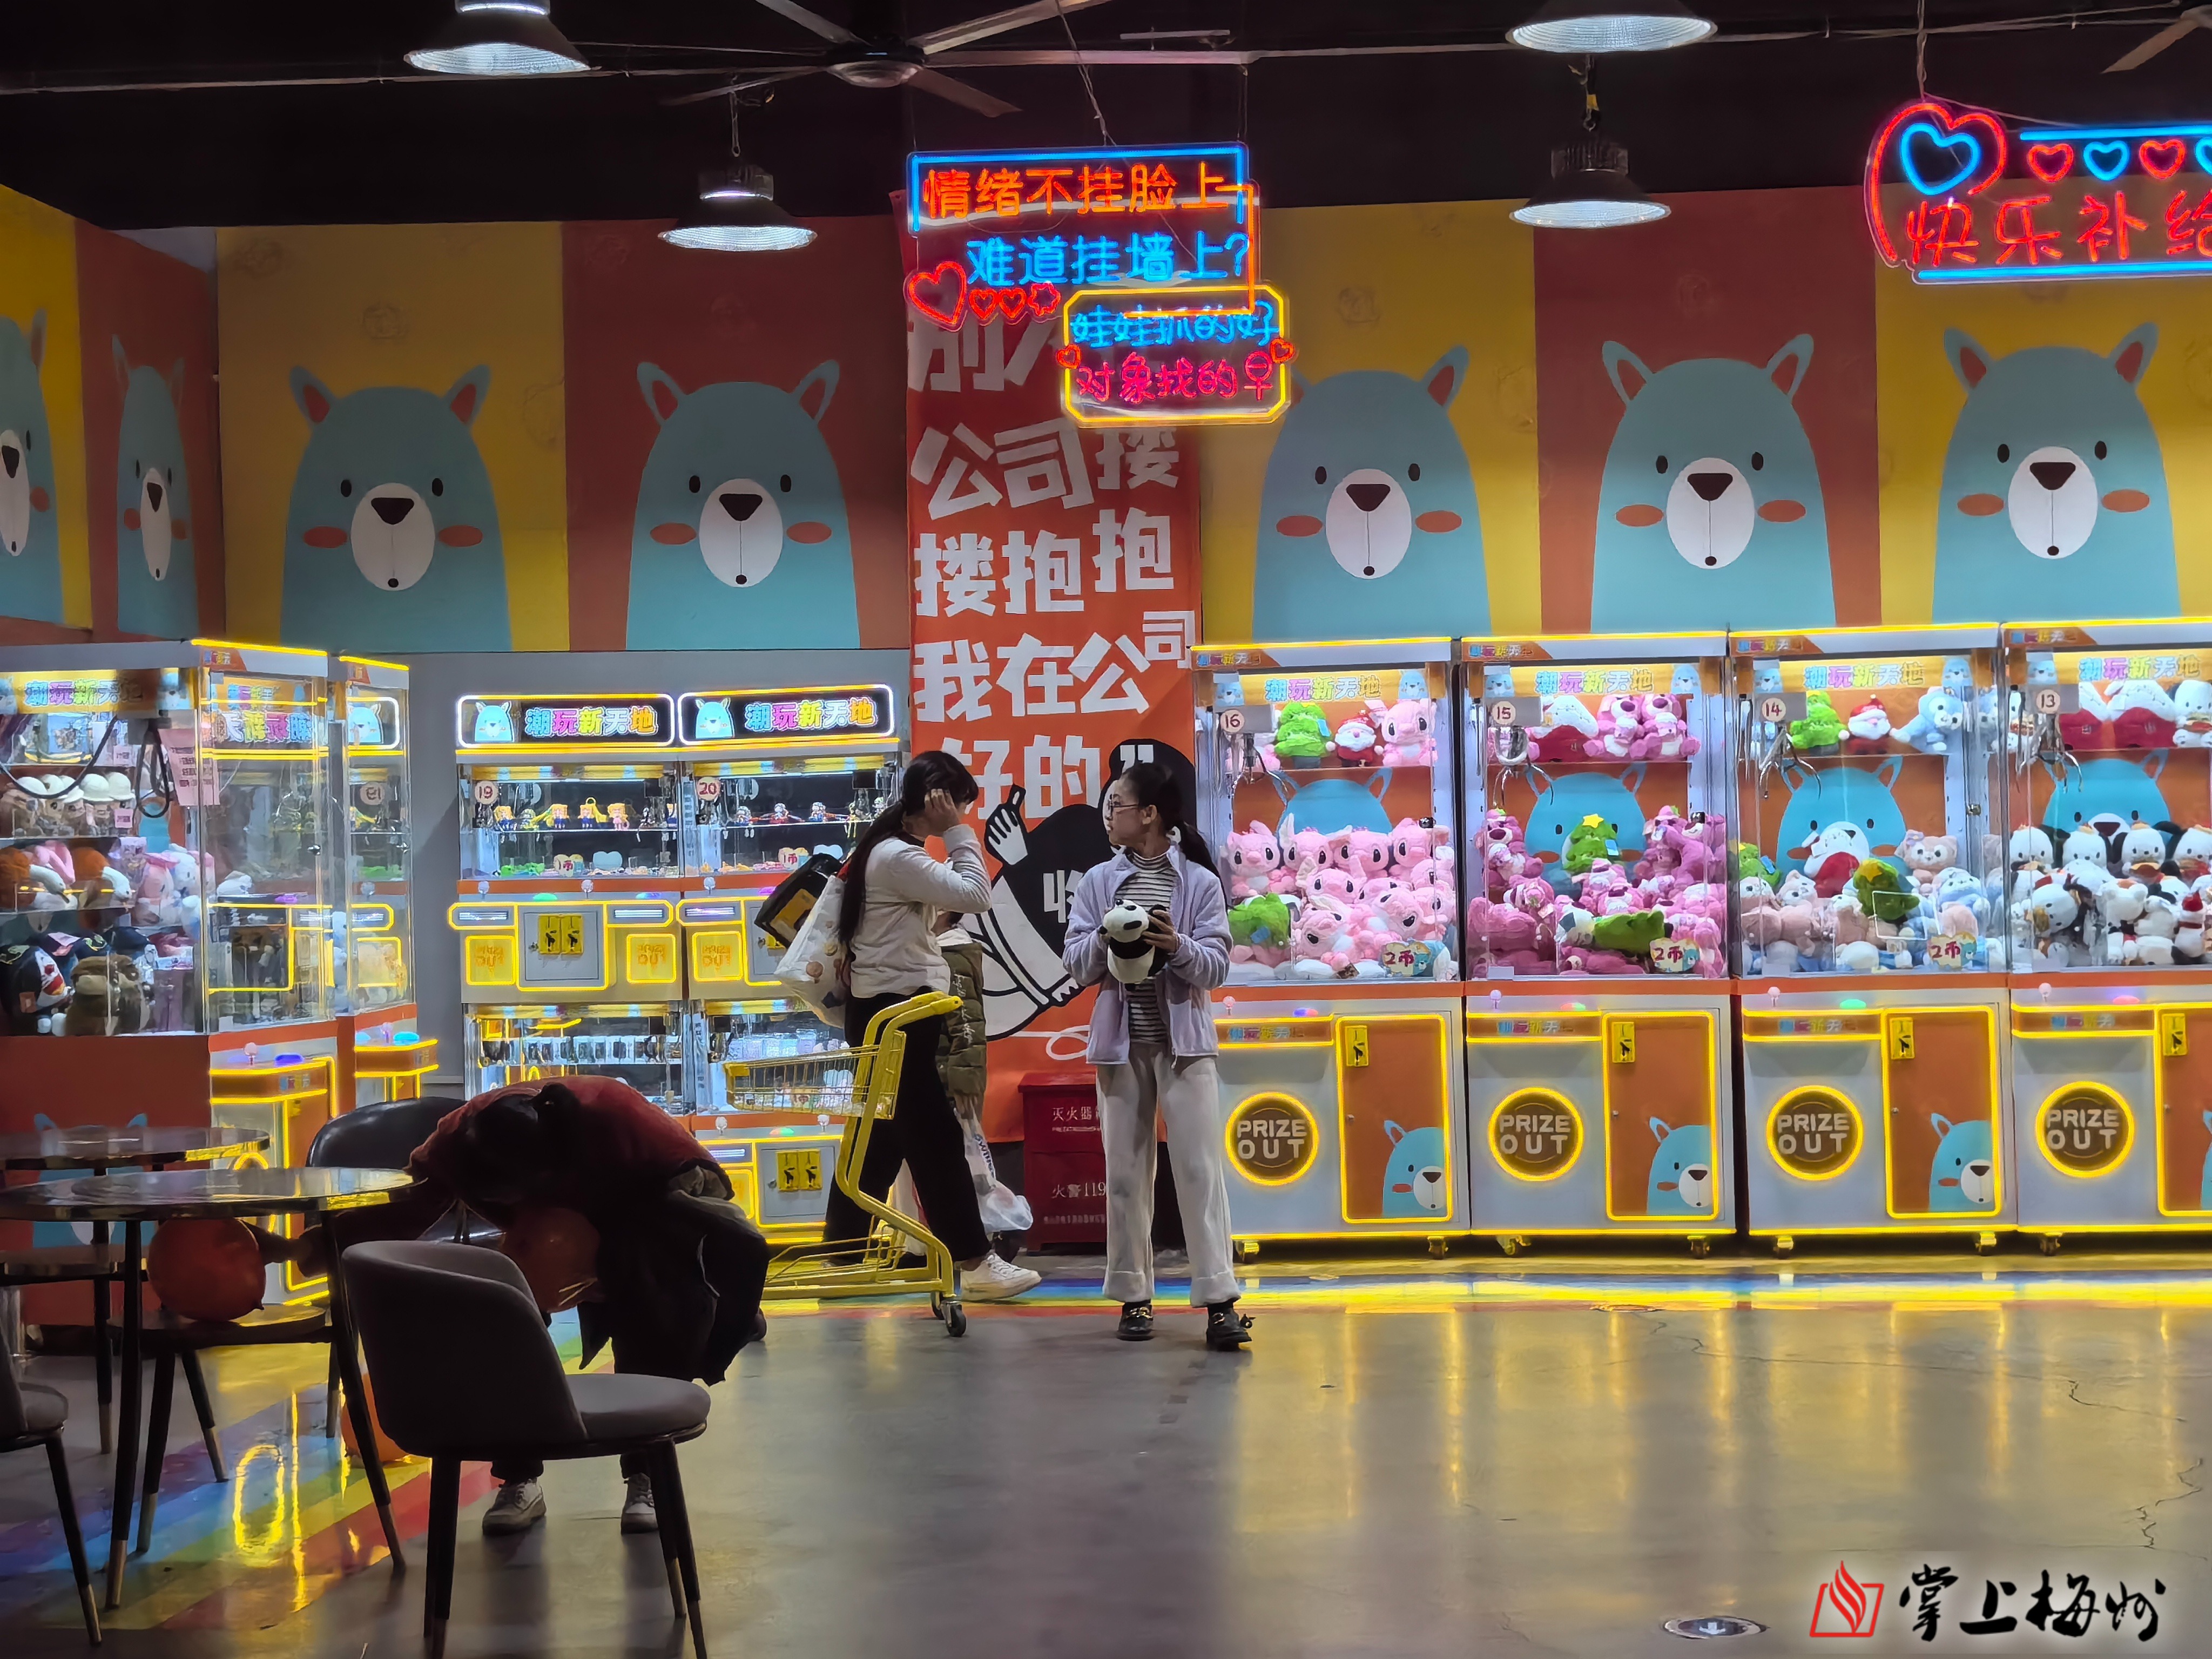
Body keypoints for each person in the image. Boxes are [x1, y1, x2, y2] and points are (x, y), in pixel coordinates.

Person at [295, 1075, 770, 1536]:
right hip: (557, 1215)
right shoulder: (450, 1148)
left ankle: (645, 1477)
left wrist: (633, 1275)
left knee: (645, 1310)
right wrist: (308, 1250)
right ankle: (518, 1480)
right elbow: (398, 1215)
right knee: (507, 1320)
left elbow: (702, 1202)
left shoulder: (621, 1131)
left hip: (642, 1200)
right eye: (499, 1201)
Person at [826, 750, 1040, 1300]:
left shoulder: (888, 851)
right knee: (936, 1139)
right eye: (958, 803)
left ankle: (840, 1257)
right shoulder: (898, 855)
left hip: (890, 1014)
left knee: (877, 1141)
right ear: (937, 800)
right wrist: (960, 834)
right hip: (895, 1017)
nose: (962, 814)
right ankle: (976, 1262)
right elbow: (977, 895)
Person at [1062, 761, 1247, 1349]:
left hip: (1185, 1047)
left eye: (1117, 805)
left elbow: (1215, 967)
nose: (1109, 815)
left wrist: (1176, 945)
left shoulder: (1199, 882)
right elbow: (1075, 963)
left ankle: (1219, 1300)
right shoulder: (1099, 881)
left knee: (1199, 1171)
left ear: (1149, 814)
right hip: (1121, 1048)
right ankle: (1133, 1296)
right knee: (1124, 1175)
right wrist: (1107, 935)